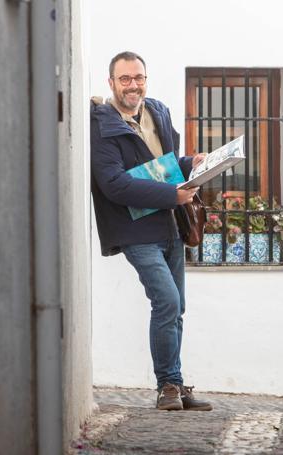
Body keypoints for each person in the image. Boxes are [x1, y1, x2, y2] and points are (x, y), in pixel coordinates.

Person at [90, 51, 211, 411]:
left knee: (178, 306)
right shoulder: (102, 126)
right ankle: (167, 388)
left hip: (170, 223)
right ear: (111, 83)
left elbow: (167, 163)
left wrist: (193, 162)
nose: (133, 85)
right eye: (125, 79)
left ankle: (174, 383)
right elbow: (114, 185)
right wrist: (171, 194)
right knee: (167, 300)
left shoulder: (157, 111)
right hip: (134, 228)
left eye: (138, 77)